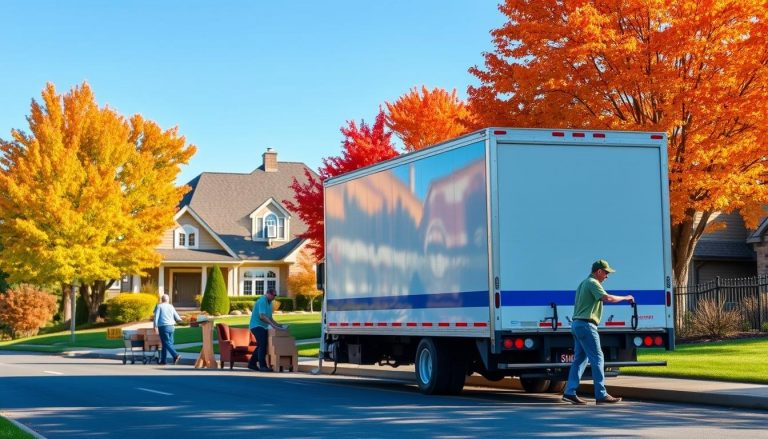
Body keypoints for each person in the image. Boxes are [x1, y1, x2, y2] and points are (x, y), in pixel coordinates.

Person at [562, 259, 634, 405]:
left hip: (577, 324)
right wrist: (626, 298)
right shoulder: (593, 283)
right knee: (598, 358)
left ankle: (569, 392)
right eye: (606, 273)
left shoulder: (583, 283)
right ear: (598, 271)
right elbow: (607, 298)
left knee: (580, 359)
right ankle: (601, 394)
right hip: (587, 325)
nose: (607, 276)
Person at [247, 289, 287, 372]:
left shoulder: (270, 303)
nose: (274, 297)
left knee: (261, 345)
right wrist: (271, 325)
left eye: (275, 295)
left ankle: (252, 363)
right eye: (273, 295)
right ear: (268, 293)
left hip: (263, 326)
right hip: (256, 326)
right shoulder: (262, 301)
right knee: (262, 345)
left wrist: (278, 325)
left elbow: (270, 318)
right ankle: (263, 366)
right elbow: (262, 316)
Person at [153, 294, 183, 365]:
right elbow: (177, 317)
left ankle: (176, 355)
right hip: (171, 327)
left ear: (161, 299)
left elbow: (156, 317)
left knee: (166, 343)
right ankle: (163, 361)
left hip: (163, 327)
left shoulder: (159, 306)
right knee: (168, 343)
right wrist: (182, 321)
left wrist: (155, 326)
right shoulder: (171, 306)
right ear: (168, 300)